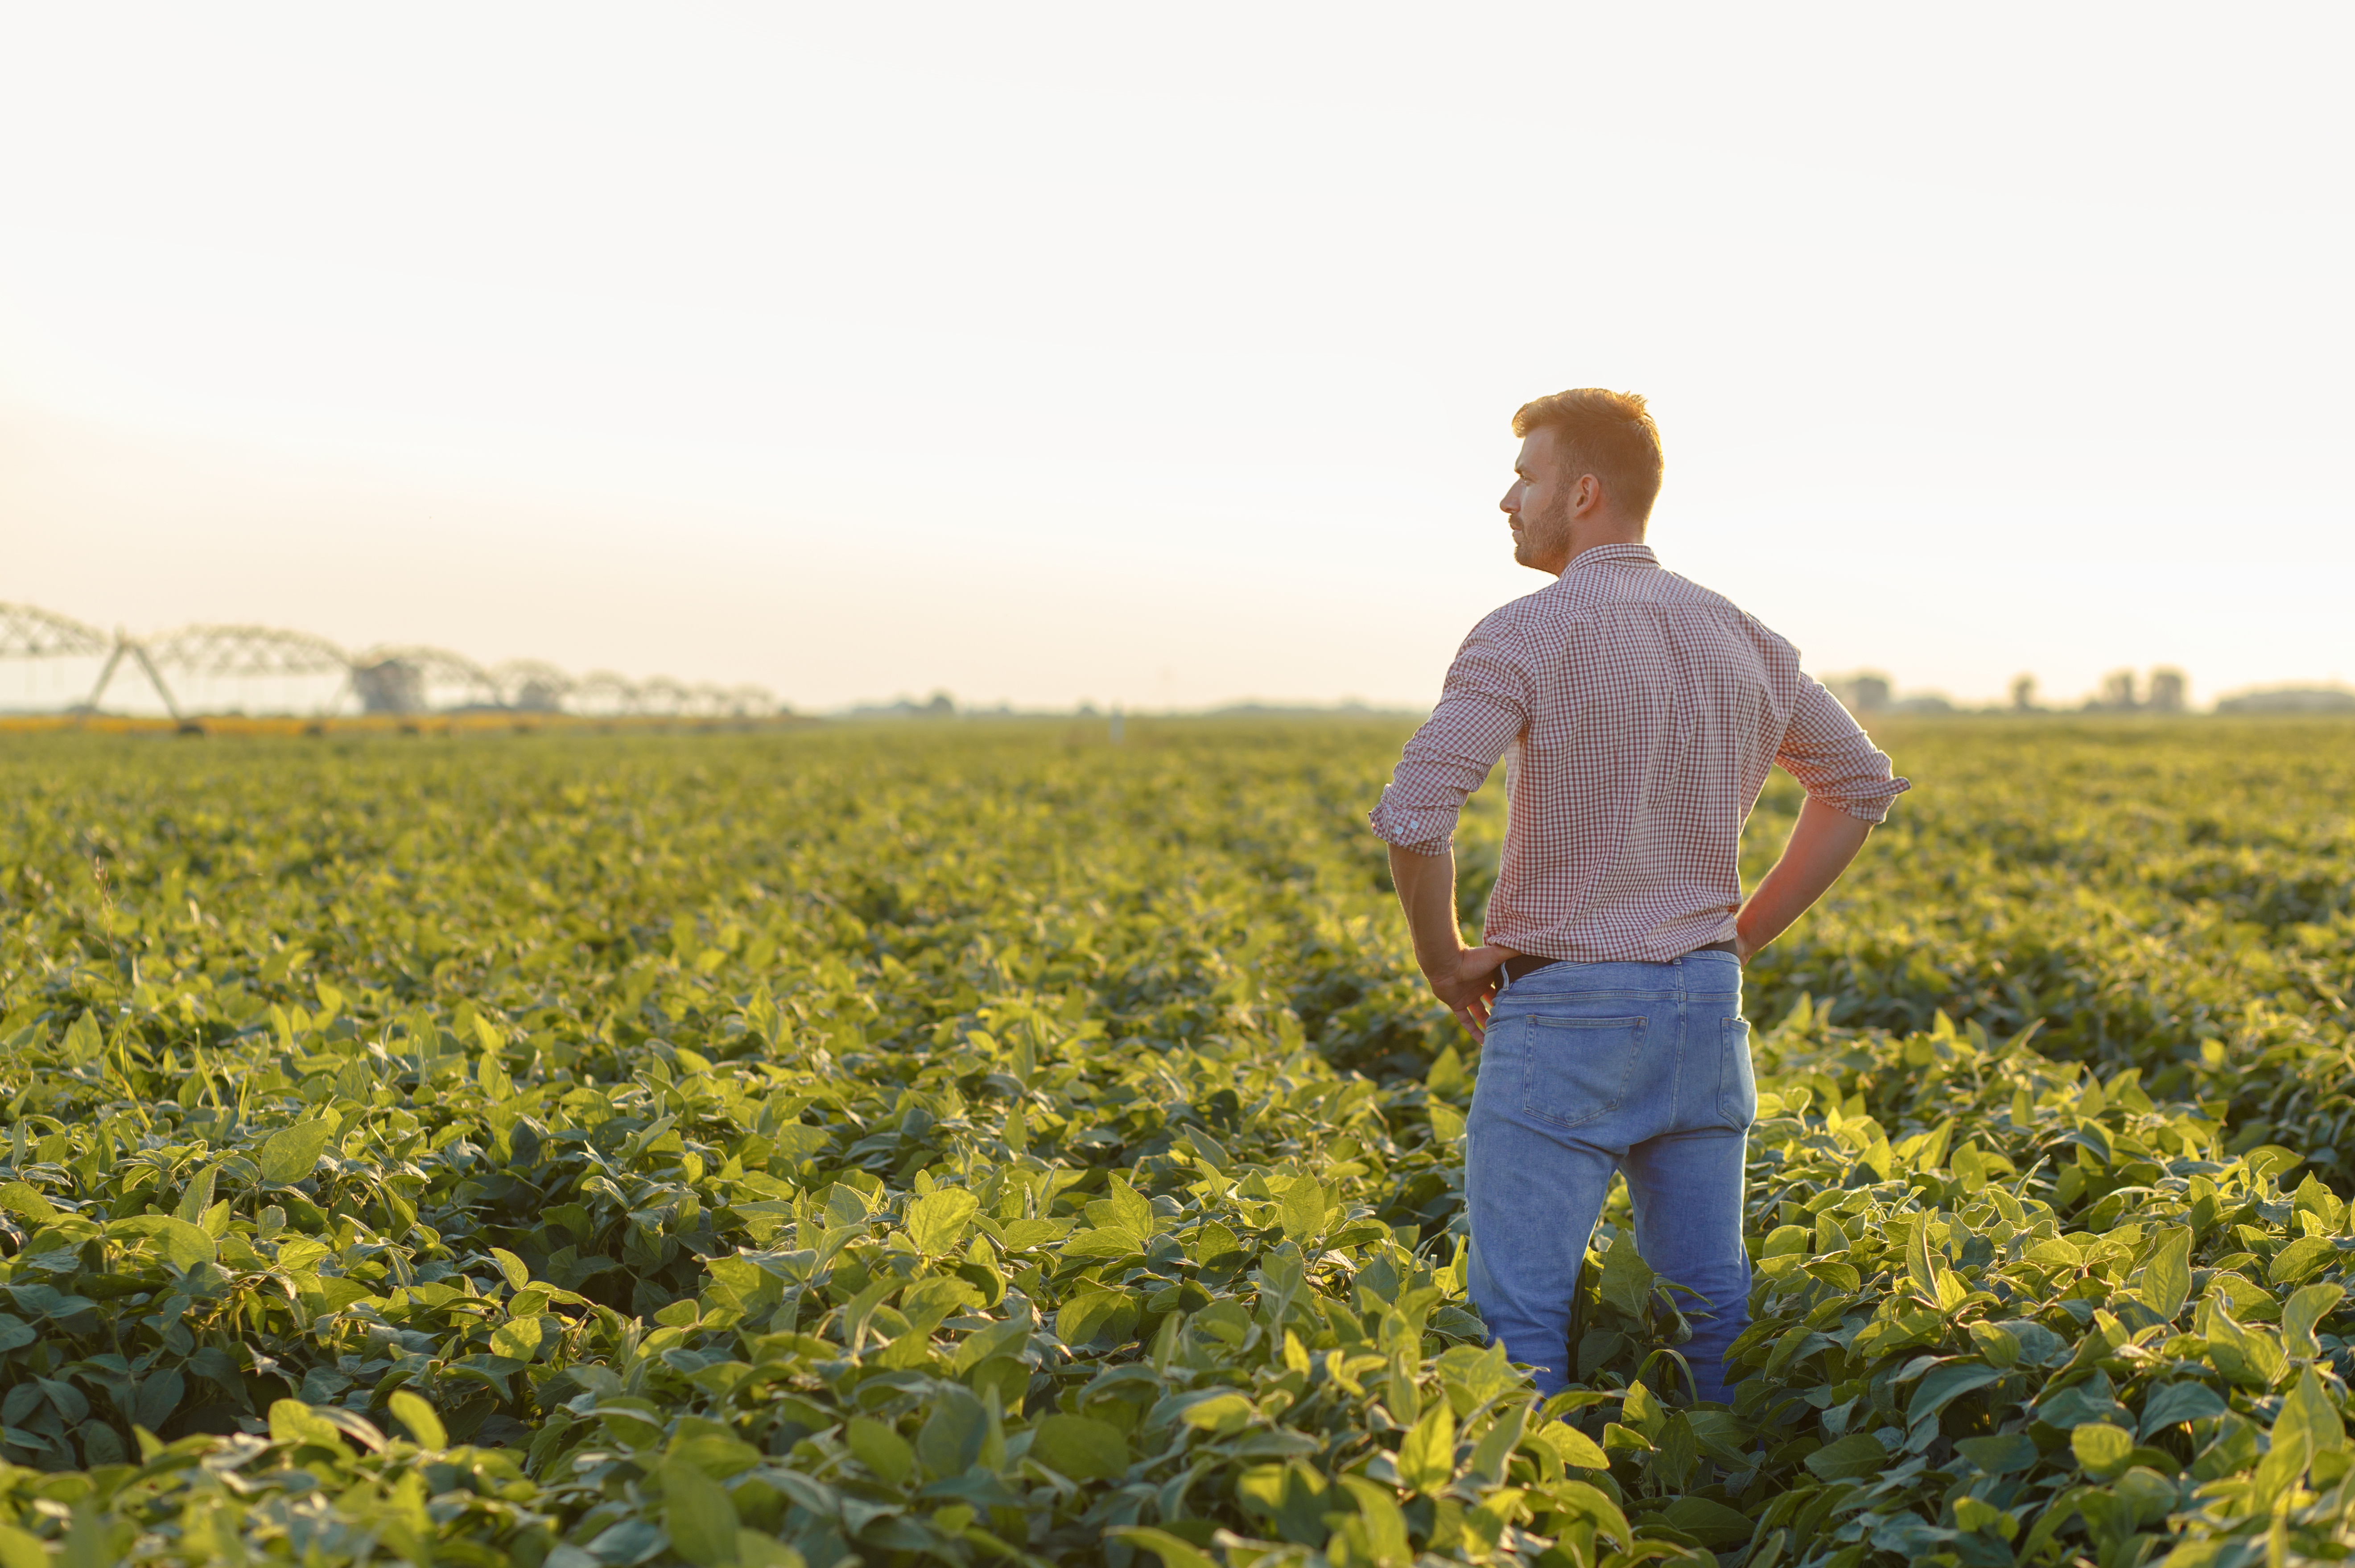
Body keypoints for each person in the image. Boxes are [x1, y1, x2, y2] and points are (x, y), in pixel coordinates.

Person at [1369, 388, 1907, 1406]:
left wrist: (1442, 960)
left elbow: (1414, 812)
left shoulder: (1524, 633)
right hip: (1705, 1009)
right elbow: (1859, 787)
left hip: (1565, 1008)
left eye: (1524, 476)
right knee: (1710, 1306)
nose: (1505, 498)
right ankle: (1710, 1505)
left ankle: (1519, 1523)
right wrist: (1738, 940)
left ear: (1581, 492)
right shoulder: (1743, 635)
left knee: (1520, 1316)